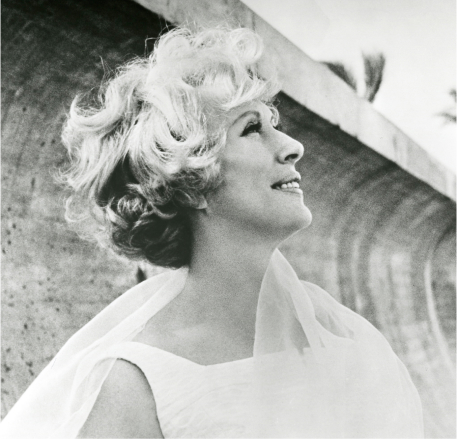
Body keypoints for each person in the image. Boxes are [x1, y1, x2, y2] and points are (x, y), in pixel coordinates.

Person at [1, 26, 423, 438]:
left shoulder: (346, 339)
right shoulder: (136, 383)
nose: (293, 146)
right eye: (252, 128)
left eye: (274, 124)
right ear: (190, 181)